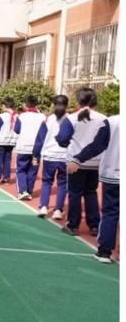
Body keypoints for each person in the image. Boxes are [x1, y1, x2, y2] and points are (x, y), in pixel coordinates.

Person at [55, 87, 105, 238]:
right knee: (91, 192)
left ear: (78, 101)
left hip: (75, 161)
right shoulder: (103, 118)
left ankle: (73, 224)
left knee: (74, 193)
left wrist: (66, 144)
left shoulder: (71, 118)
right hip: (96, 161)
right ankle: (94, 225)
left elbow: (62, 138)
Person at [69, 112, 119, 263]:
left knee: (110, 212)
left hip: (113, 173)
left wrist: (78, 158)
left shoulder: (112, 122)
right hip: (112, 174)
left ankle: (104, 252)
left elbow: (97, 145)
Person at [32, 94, 69, 219]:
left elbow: (40, 139)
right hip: (65, 156)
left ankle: (43, 207)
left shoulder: (48, 120)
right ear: (67, 105)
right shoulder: (71, 120)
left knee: (47, 181)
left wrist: (36, 155)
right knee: (62, 183)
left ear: (53, 105)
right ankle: (58, 210)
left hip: (49, 155)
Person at [13, 95, 45, 200]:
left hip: (23, 147)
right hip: (37, 148)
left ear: (25, 105)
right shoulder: (42, 117)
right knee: (33, 170)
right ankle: (29, 191)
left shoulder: (22, 116)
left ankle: (22, 190)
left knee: (21, 169)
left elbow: (17, 130)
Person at [0, 97, 17, 184]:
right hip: (11, 141)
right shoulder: (17, 116)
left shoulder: (2, 116)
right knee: (7, 160)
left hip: (1, 140)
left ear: (5, 106)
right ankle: (6, 178)